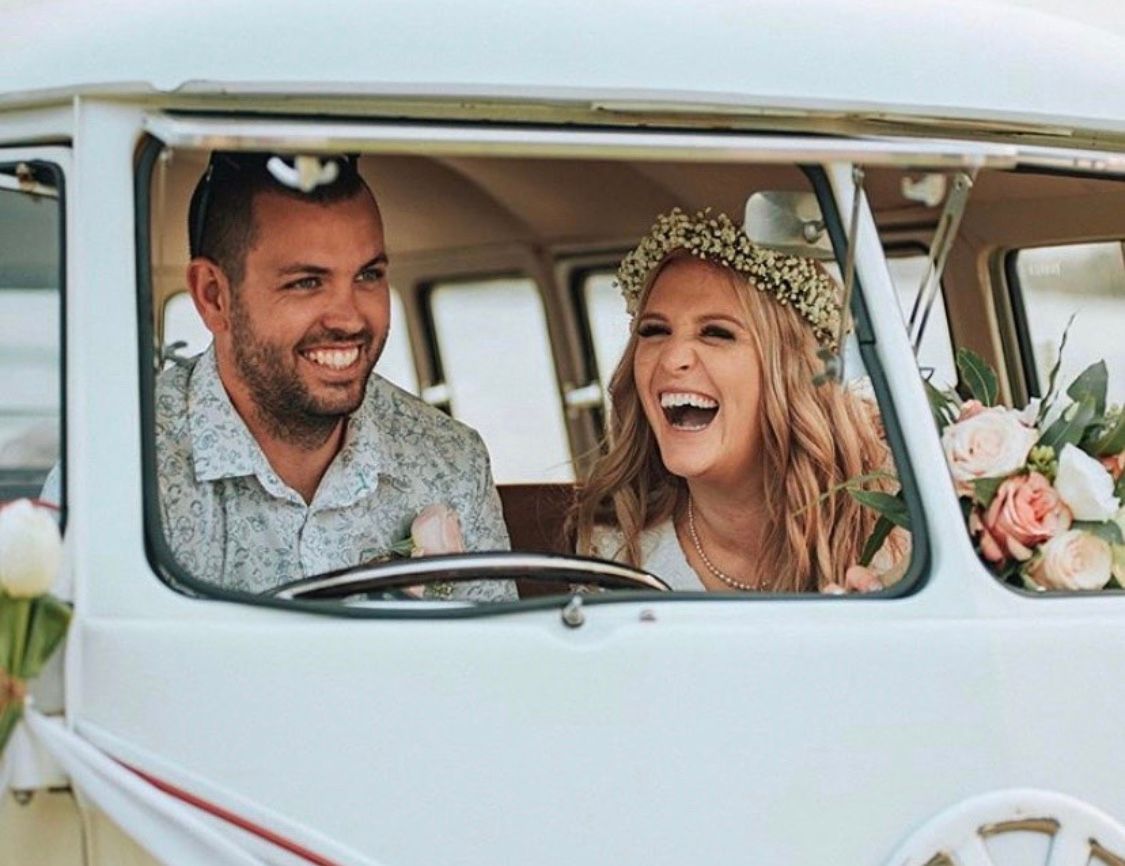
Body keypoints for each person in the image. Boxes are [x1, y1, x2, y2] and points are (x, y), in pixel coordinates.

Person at [154, 151, 513, 599]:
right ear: (214, 297)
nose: (349, 319)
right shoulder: (127, 467)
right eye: (307, 282)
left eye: (368, 275)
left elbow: (487, 644)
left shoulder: (451, 461)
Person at [572, 208, 906, 593]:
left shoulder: (905, 511)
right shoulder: (619, 554)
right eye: (654, 331)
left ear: (792, 368)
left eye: (716, 333)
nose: (671, 358)